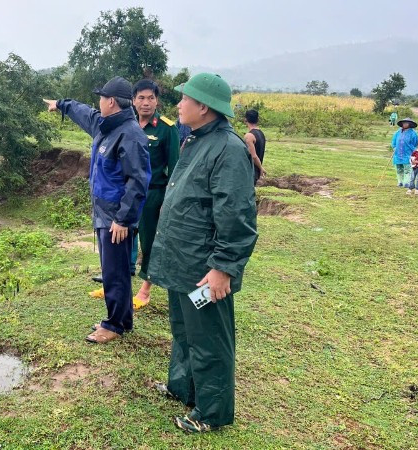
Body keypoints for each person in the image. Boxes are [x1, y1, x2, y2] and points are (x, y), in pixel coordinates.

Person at [147, 73, 258, 433]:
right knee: (184, 330)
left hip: (204, 271)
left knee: (209, 338)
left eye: (184, 99)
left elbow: (237, 215)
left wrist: (223, 267)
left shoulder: (228, 149)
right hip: (182, 264)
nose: (178, 105)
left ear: (203, 107)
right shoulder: (195, 141)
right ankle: (183, 388)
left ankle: (211, 412)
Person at [44, 76, 151, 344]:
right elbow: (83, 112)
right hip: (104, 214)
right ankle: (123, 319)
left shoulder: (130, 135)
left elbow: (137, 182)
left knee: (115, 273)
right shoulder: (104, 126)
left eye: (101, 98)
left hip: (116, 218)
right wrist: (60, 104)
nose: (98, 102)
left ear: (111, 101)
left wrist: (123, 220)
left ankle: (113, 325)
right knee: (113, 269)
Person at [127, 79, 180, 310]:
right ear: (133, 101)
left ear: (157, 100)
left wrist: (166, 202)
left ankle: (145, 290)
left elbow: (175, 169)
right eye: (141, 98)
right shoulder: (128, 124)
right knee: (123, 238)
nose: (146, 103)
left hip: (152, 196)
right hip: (127, 195)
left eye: (151, 98)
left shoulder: (167, 129)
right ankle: (116, 284)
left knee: (149, 242)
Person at [390, 118, 418, 189]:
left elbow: (416, 142)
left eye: (407, 123)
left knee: (407, 169)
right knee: (399, 169)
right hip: (397, 154)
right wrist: (394, 147)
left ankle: (406, 182)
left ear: (410, 124)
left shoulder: (413, 133)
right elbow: (394, 141)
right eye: (404, 123)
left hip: (408, 154)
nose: (405, 124)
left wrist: (413, 150)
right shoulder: (398, 132)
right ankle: (400, 182)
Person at [243, 109, 267, 185]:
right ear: (257, 120)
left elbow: (253, 156)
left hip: (250, 171)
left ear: (245, 120)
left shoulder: (249, 136)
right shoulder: (261, 133)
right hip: (255, 172)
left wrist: (261, 168)